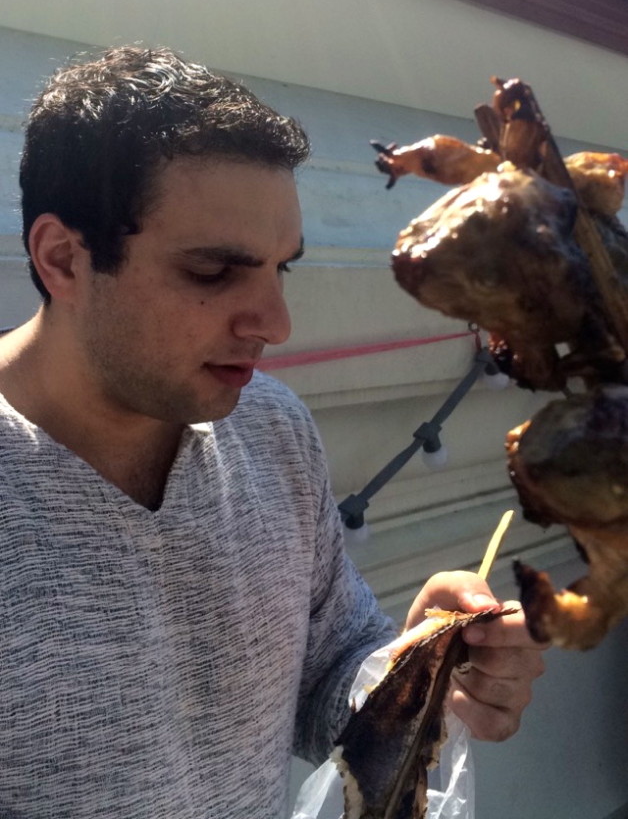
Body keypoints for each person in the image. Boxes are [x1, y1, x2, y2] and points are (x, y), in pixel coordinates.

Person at [0, 46, 545, 818]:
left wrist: (416, 671)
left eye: (280, 269)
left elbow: (326, 681)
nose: (276, 327)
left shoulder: (271, 431)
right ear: (62, 259)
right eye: (214, 272)